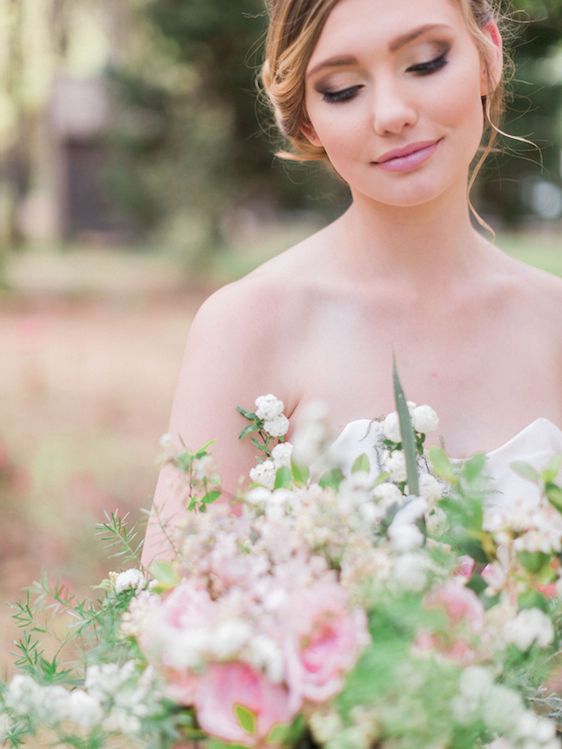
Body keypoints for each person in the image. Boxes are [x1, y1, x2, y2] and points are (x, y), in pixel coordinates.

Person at [141, 0, 562, 568]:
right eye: (341, 89)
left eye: (426, 62)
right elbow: (174, 617)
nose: (391, 113)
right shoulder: (248, 325)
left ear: (489, 55)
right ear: (308, 118)